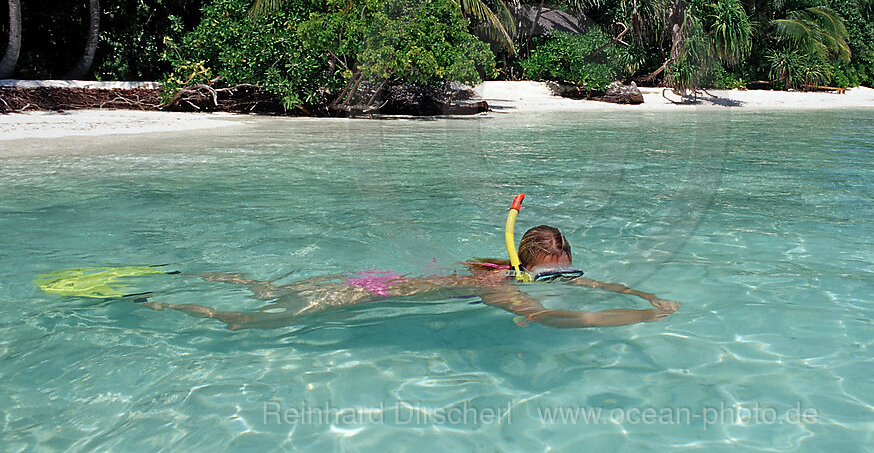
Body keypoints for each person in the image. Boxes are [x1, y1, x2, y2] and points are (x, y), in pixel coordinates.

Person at [141, 225, 679, 329]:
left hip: (382, 279)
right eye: (549, 279)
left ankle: (191, 276)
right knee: (256, 322)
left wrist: (637, 290)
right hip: (372, 292)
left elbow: (580, 289)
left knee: (275, 291)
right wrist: (641, 316)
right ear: (523, 269)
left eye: (566, 276)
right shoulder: (498, 284)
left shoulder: (518, 271)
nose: (559, 284)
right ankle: (171, 303)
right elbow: (564, 320)